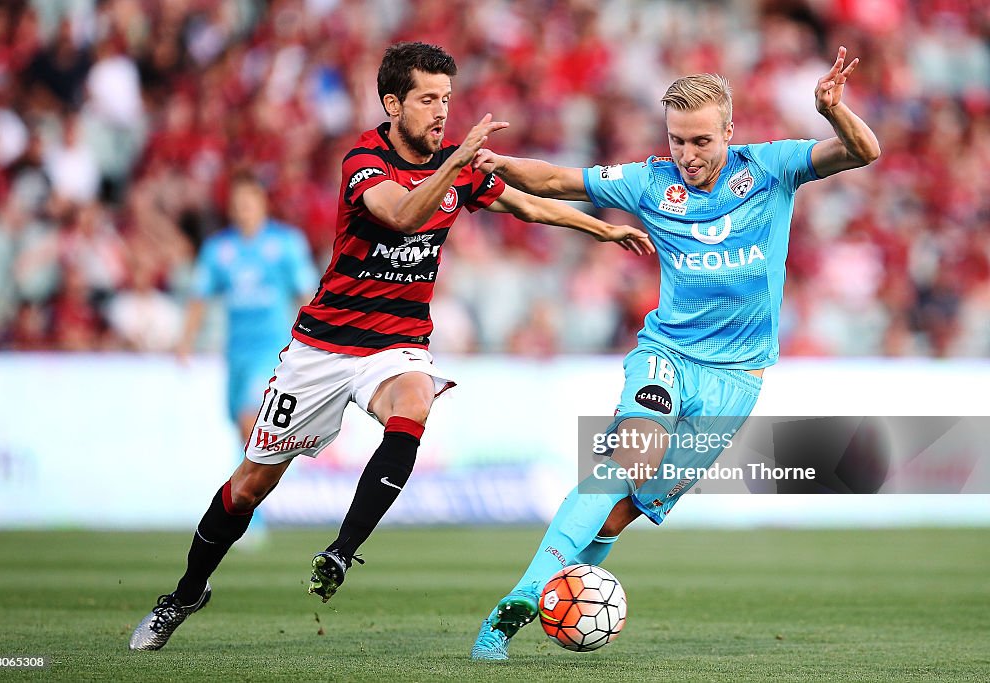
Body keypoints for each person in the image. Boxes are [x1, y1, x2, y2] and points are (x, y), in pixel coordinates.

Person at [129, 41, 651, 651]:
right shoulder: (364, 160)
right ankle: (185, 593)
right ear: (392, 103)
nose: (439, 112)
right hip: (322, 349)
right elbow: (401, 216)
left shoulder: (454, 167)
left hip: (397, 345)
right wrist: (455, 164)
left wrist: (603, 228)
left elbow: (529, 205)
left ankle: (343, 552)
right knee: (249, 485)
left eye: (447, 100)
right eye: (428, 100)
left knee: (415, 401)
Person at [470, 46, 880, 660]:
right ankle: (517, 604)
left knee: (617, 517)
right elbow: (557, 180)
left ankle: (560, 587)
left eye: (699, 141)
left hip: (736, 380)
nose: (686, 156)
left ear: (728, 132)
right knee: (625, 465)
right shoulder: (649, 181)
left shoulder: (769, 169)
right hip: (667, 355)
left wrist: (833, 111)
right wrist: (495, 165)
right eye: (677, 141)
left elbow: (863, 152)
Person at [177, 171, 318, 444]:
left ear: (262, 202)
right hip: (235, 351)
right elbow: (199, 296)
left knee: (250, 418)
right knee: (241, 423)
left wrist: (316, 339)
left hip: (273, 348)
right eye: (237, 203)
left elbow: (306, 294)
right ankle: (257, 481)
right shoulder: (218, 249)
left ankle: (251, 486)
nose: (243, 209)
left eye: (248, 201)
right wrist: (186, 341)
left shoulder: (286, 243)